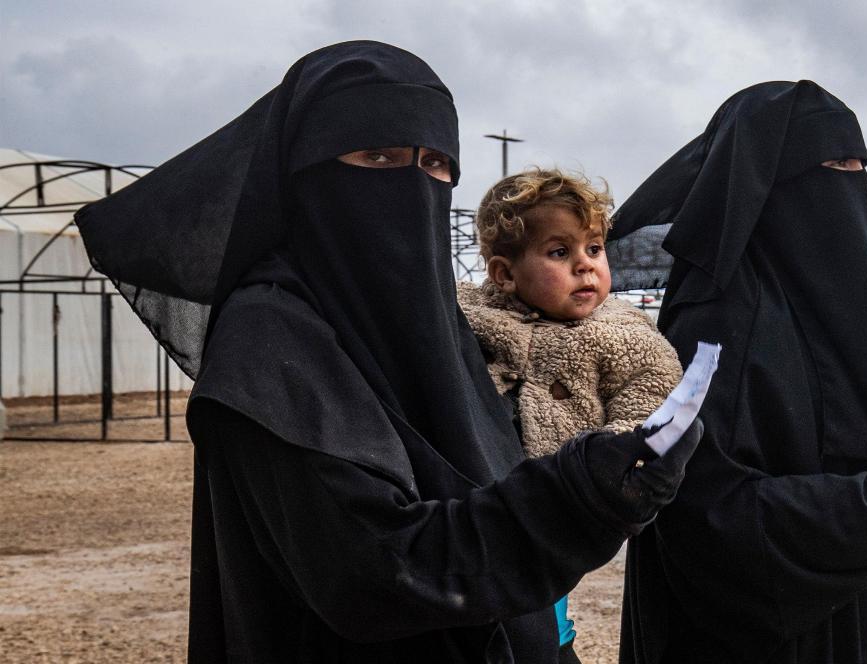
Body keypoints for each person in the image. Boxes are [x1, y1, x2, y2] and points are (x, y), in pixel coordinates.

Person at [75, 41, 702, 663]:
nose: (411, 184)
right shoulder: (268, 342)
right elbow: (377, 573)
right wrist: (577, 495)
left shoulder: (438, 321)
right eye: (376, 156)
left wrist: (619, 470)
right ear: (306, 168)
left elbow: (495, 477)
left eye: (433, 163)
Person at [606, 80, 867, 663]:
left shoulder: (844, 304)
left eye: (858, 163)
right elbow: (709, 518)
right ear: (765, 184)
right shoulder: (718, 319)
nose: (850, 178)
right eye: (832, 163)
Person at [458, 167, 685, 653]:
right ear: (504, 274)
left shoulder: (624, 335)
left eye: (594, 249)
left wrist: (613, 458)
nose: (586, 266)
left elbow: (649, 396)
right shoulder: (469, 319)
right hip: (477, 502)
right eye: (560, 253)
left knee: (540, 610)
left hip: (562, 501)